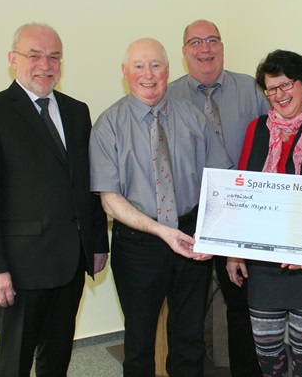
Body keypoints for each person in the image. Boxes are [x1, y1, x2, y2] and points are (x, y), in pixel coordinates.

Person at [0, 23, 109, 377]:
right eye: (35, 55)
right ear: (13, 59)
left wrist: (97, 243)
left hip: (71, 263)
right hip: (18, 269)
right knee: (15, 362)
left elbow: (86, 183)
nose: (46, 64)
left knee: (57, 358)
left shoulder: (77, 111)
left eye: (54, 56)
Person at [89, 37, 232, 377]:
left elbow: (219, 181)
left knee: (189, 338)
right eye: (139, 66)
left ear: (169, 71)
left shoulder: (194, 118)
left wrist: (208, 233)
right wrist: (161, 232)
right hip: (139, 243)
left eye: (156, 65)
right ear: (125, 73)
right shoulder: (108, 125)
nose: (148, 74)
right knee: (139, 342)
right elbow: (109, 199)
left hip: (190, 237)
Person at [226, 49, 302, 377]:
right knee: (267, 351)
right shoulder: (257, 129)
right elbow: (244, 191)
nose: (279, 95)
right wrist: (234, 253)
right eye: (271, 88)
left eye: (286, 85)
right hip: (264, 259)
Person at [167, 19, 269, 377]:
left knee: (243, 306)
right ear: (184, 52)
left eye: (212, 40)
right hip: (190, 216)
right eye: (195, 42)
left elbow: (276, 140)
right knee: (187, 308)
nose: (205, 48)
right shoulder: (168, 96)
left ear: (222, 46)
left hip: (242, 212)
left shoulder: (252, 90)